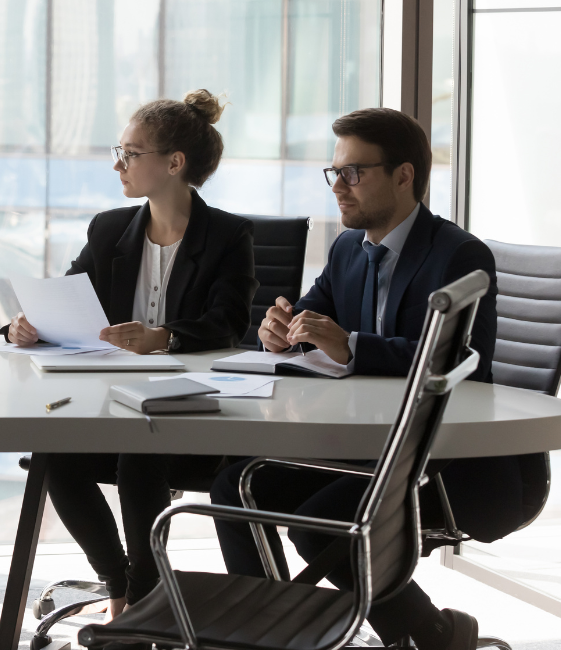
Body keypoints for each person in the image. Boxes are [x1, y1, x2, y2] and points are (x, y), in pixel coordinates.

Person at [211, 107, 528, 650]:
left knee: (318, 525)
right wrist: (278, 329)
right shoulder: (347, 250)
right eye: (334, 173)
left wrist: (351, 345)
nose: (338, 187)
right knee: (234, 487)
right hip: (363, 447)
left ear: (404, 176)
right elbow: (308, 318)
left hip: (447, 461)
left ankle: (429, 632)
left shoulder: (458, 255)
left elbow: (458, 358)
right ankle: (271, 632)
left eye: (354, 173)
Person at [3, 90, 258, 624]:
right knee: (52, 455)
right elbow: (69, 298)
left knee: (140, 455)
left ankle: (142, 602)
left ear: (174, 163)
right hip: (113, 400)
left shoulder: (228, 235)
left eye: (130, 153)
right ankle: (118, 583)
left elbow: (230, 323)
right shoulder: (110, 228)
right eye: (118, 151)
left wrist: (162, 337)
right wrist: (24, 326)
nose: (119, 164)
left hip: (197, 414)